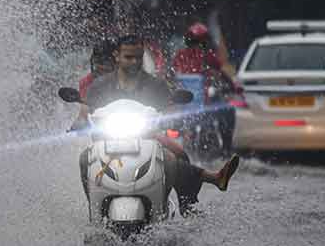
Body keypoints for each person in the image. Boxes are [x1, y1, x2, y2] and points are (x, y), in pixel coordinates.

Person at [82, 34, 240, 214]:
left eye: (138, 57)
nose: (134, 62)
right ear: (116, 56)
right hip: (106, 142)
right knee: (83, 159)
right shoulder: (100, 85)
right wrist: (81, 123)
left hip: (146, 138)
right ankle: (94, 210)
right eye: (128, 57)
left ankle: (185, 204)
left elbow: (170, 108)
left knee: (175, 156)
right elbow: (86, 112)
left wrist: (172, 120)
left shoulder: (156, 85)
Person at [172, 22, 237, 151]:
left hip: (182, 105)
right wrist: (232, 86)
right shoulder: (206, 55)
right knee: (229, 111)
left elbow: (171, 74)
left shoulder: (179, 55)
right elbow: (220, 71)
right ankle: (226, 148)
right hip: (204, 102)